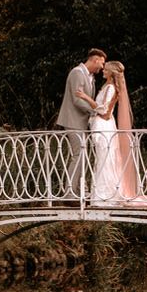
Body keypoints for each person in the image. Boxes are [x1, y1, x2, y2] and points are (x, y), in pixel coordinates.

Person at [75, 60, 140, 206]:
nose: (103, 71)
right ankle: (102, 195)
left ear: (111, 73)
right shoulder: (107, 86)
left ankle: (106, 197)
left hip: (104, 126)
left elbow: (104, 110)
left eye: (105, 70)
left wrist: (86, 98)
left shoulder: (110, 88)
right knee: (102, 159)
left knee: (105, 159)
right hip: (100, 124)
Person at [57, 48, 107, 198]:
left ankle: (78, 191)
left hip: (81, 121)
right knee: (78, 154)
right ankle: (70, 194)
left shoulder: (90, 76)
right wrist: (95, 112)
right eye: (102, 63)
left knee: (82, 155)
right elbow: (77, 100)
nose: (102, 67)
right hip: (73, 120)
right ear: (95, 59)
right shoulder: (77, 73)